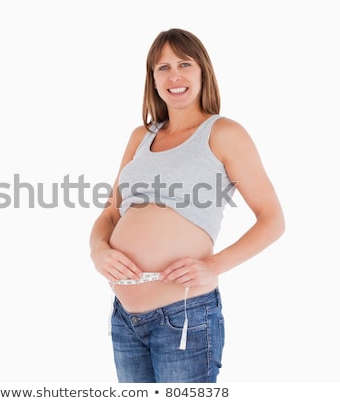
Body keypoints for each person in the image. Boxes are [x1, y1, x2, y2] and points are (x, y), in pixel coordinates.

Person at [89, 28, 284, 383]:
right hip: (125, 320)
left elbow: (272, 220)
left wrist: (214, 265)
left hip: (186, 315)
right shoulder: (141, 136)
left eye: (184, 64)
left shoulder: (223, 133)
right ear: (152, 78)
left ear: (203, 72)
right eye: (162, 67)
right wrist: (98, 250)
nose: (174, 75)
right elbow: (111, 214)